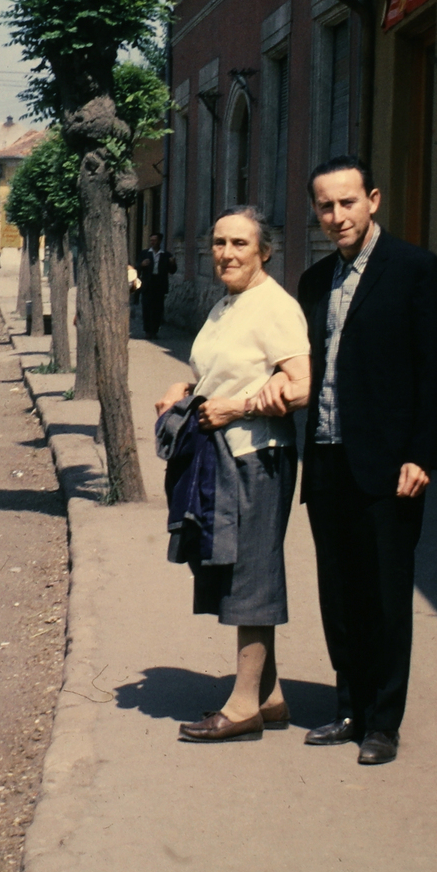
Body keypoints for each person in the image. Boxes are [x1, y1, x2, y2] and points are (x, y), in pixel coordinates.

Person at [298, 156, 437, 767]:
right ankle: (349, 706)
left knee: (386, 595)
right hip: (329, 459)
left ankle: (383, 722)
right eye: (324, 206)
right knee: (339, 593)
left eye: (346, 203)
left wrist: (422, 453)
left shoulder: (416, 271)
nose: (336, 216)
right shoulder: (315, 282)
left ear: (373, 200)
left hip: (390, 466)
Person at [154, 206, 310, 742]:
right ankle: (269, 697)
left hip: (258, 456)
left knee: (252, 575)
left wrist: (237, 408)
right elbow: (216, 369)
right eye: (220, 242)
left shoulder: (275, 307)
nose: (227, 253)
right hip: (219, 455)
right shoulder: (228, 304)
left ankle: (242, 707)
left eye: (240, 244)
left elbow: (301, 385)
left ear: (264, 251)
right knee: (236, 568)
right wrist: (185, 390)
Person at [137, 231, 177, 339]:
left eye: (154, 240)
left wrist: (172, 263)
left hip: (159, 284)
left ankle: (154, 331)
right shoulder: (145, 253)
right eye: (151, 240)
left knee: (157, 309)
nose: (152, 242)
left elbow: (172, 271)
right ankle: (147, 331)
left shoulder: (166, 255)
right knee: (146, 308)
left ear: (159, 241)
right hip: (147, 284)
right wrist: (142, 264)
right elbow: (137, 266)